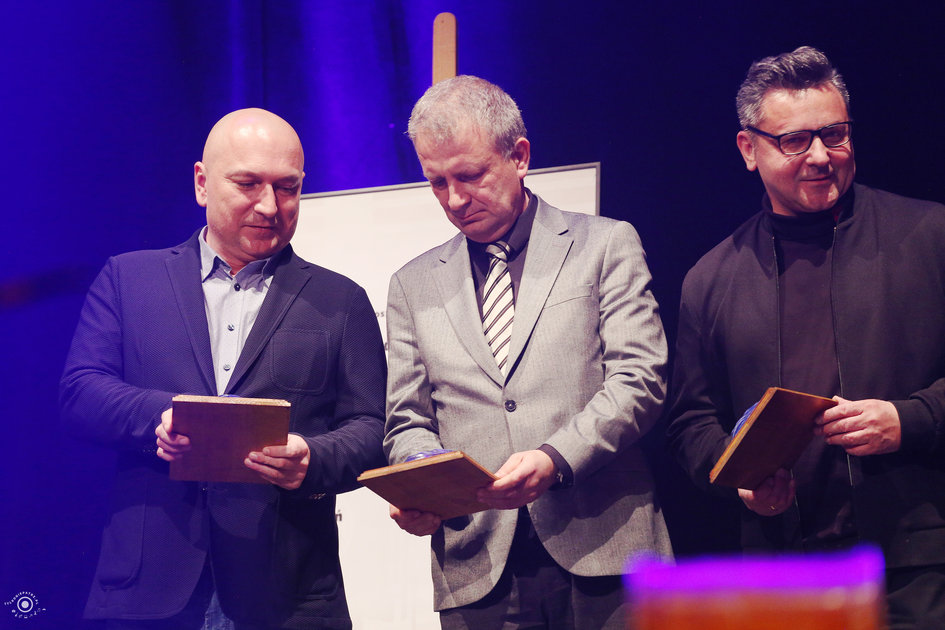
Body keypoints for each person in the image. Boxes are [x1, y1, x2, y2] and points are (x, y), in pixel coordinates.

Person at [60, 108, 387, 630]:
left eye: (287, 187)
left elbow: (372, 428)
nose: (269, 205)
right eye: (248, 184)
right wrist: (163, 417)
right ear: (202, 183)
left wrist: (312, 458)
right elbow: (81, 392)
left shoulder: (340, 300)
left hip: (289, 594)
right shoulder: (129, 279)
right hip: (147, 587)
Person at [666, 46, 945, 628]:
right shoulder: (711, 278)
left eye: (834, 134)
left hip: (918, 560)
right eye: (795, 141)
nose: (820, 156)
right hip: (785, 574)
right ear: (749, 150)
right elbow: (692, 422)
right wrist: (740, 480)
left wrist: (910, 419)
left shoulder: (930, 234)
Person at [384, 75, 672, 629]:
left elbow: (639, 379)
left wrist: (555, 459)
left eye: (470, 175)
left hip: (606, 550)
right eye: (437, 182)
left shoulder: (604, 245)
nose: (455, 200)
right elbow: (407, 420)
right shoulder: (412, 285)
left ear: (519, 156)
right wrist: (423, 481)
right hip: (477, 565)